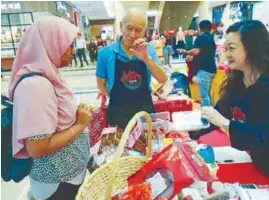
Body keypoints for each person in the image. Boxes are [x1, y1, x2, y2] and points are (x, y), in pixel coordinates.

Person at [8, 17, 93, 200]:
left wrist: (76, 114)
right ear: (51, 44)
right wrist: (79, 125)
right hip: (57, 184)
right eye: (68, 45)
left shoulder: (49, 74)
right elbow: (37, 148)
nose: (73, 51)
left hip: (67, 178)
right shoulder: (35, 86)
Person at [190, 20, 269, 177]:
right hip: (256, 162)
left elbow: (264, 137)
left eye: (231, 49)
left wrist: (225, 124)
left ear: (251, 48)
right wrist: (190, 128)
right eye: (225, 49)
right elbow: (220, 112)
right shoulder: (237, 81)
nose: (226, 55)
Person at [96, 7, 167, 129]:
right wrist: (114, 98)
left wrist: (146, 59)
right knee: (120, 147)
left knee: (147, 146)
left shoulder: (149, 49)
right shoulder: (106, 53)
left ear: (144, 31)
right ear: (121, 26)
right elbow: (101, 84)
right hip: (118, 114)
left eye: (138, 30)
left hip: (145, 113)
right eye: (129, 28)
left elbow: (162, 79)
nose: (132, 35)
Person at [178, 20, 217, 106]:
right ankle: (209, 113)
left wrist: (185, 51)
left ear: (200, 28)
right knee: (207, 94)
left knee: (204, 95)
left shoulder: (201, 38)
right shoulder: (211, 38)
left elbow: (196, 51)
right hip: (212, 69)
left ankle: (206, 116)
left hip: (204, 69)